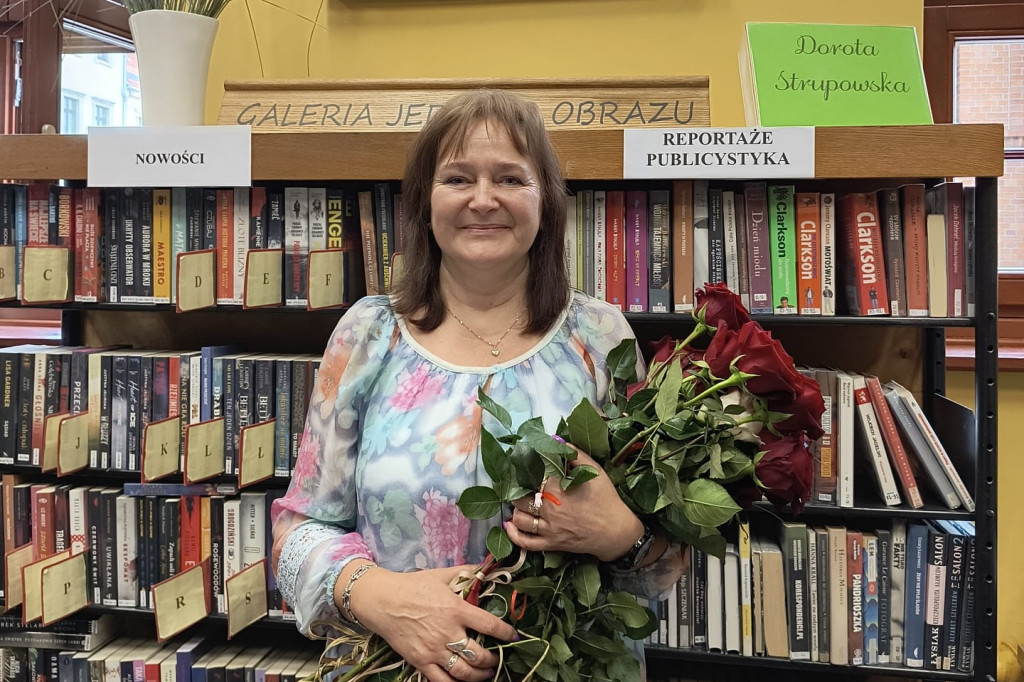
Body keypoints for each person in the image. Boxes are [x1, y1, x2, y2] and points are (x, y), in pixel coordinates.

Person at [270, 89, 685, 682]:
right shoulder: (367, 334)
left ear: (546, 201)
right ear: (423, 201)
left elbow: (662, 570)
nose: (483, 200)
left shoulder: (600, 336)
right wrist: (378, 596)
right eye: (458, 178)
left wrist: (621, 534)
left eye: (511, 179)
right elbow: (295, 532)